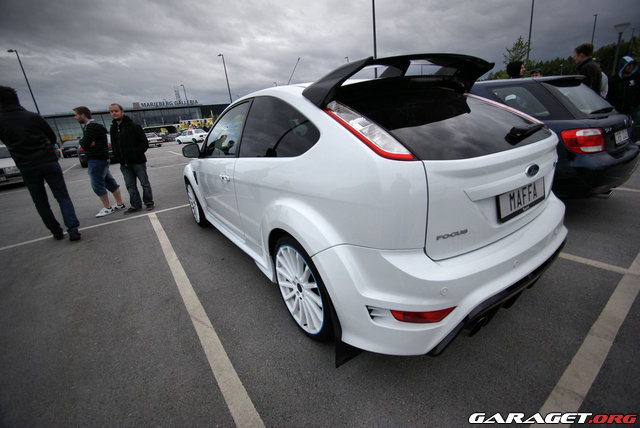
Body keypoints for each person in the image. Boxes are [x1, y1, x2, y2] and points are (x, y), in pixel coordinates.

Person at [0, 86, 81, 241]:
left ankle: (55, 230)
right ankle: (73, 229)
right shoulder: (32, 117)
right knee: (62, 196)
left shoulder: (2, 121)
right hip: (47, 160)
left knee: (40, 201)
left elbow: (6, 141)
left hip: (26, 164)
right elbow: (52, 137)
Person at [73, 106, 125, 217]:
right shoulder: (96, 126)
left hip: (96, 159)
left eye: (76, 115)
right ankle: (119, 203)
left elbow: (84, 143)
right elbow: (88, 143)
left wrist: (84, 142)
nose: (75, 117)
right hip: (101, 158)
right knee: (109, 182)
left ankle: (107, 207)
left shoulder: (91, 127)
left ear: (83, 115)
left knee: (97, 184)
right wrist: (87, 143)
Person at [108, 103, 154, 214]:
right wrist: (118, 157)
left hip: (138, 162)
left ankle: (148, 202)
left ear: (122, 112)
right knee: (130, 185)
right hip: (124, 164)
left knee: (144, 183)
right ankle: (135, 205)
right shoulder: (113, 129)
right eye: (111, 111)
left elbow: (144, 143)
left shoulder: (134, 126)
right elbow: (114, 145)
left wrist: (135, 154)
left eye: (116, 111)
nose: (114, 113)